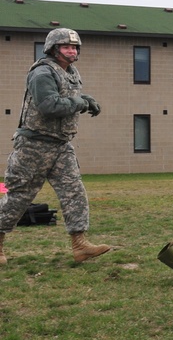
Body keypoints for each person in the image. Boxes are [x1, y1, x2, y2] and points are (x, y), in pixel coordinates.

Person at [0, 28, 110, 266]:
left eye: (74, 47)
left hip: (60, 144)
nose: (71, 50)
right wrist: (80, 102)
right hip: (34, 145)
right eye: (66, 47)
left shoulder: (70, 72)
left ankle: (80, 245)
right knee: (18, 196)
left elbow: (67, 97)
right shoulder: (42, 72)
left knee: (74, 191)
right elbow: (49, 105)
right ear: (53, 49)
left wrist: (86, 99)